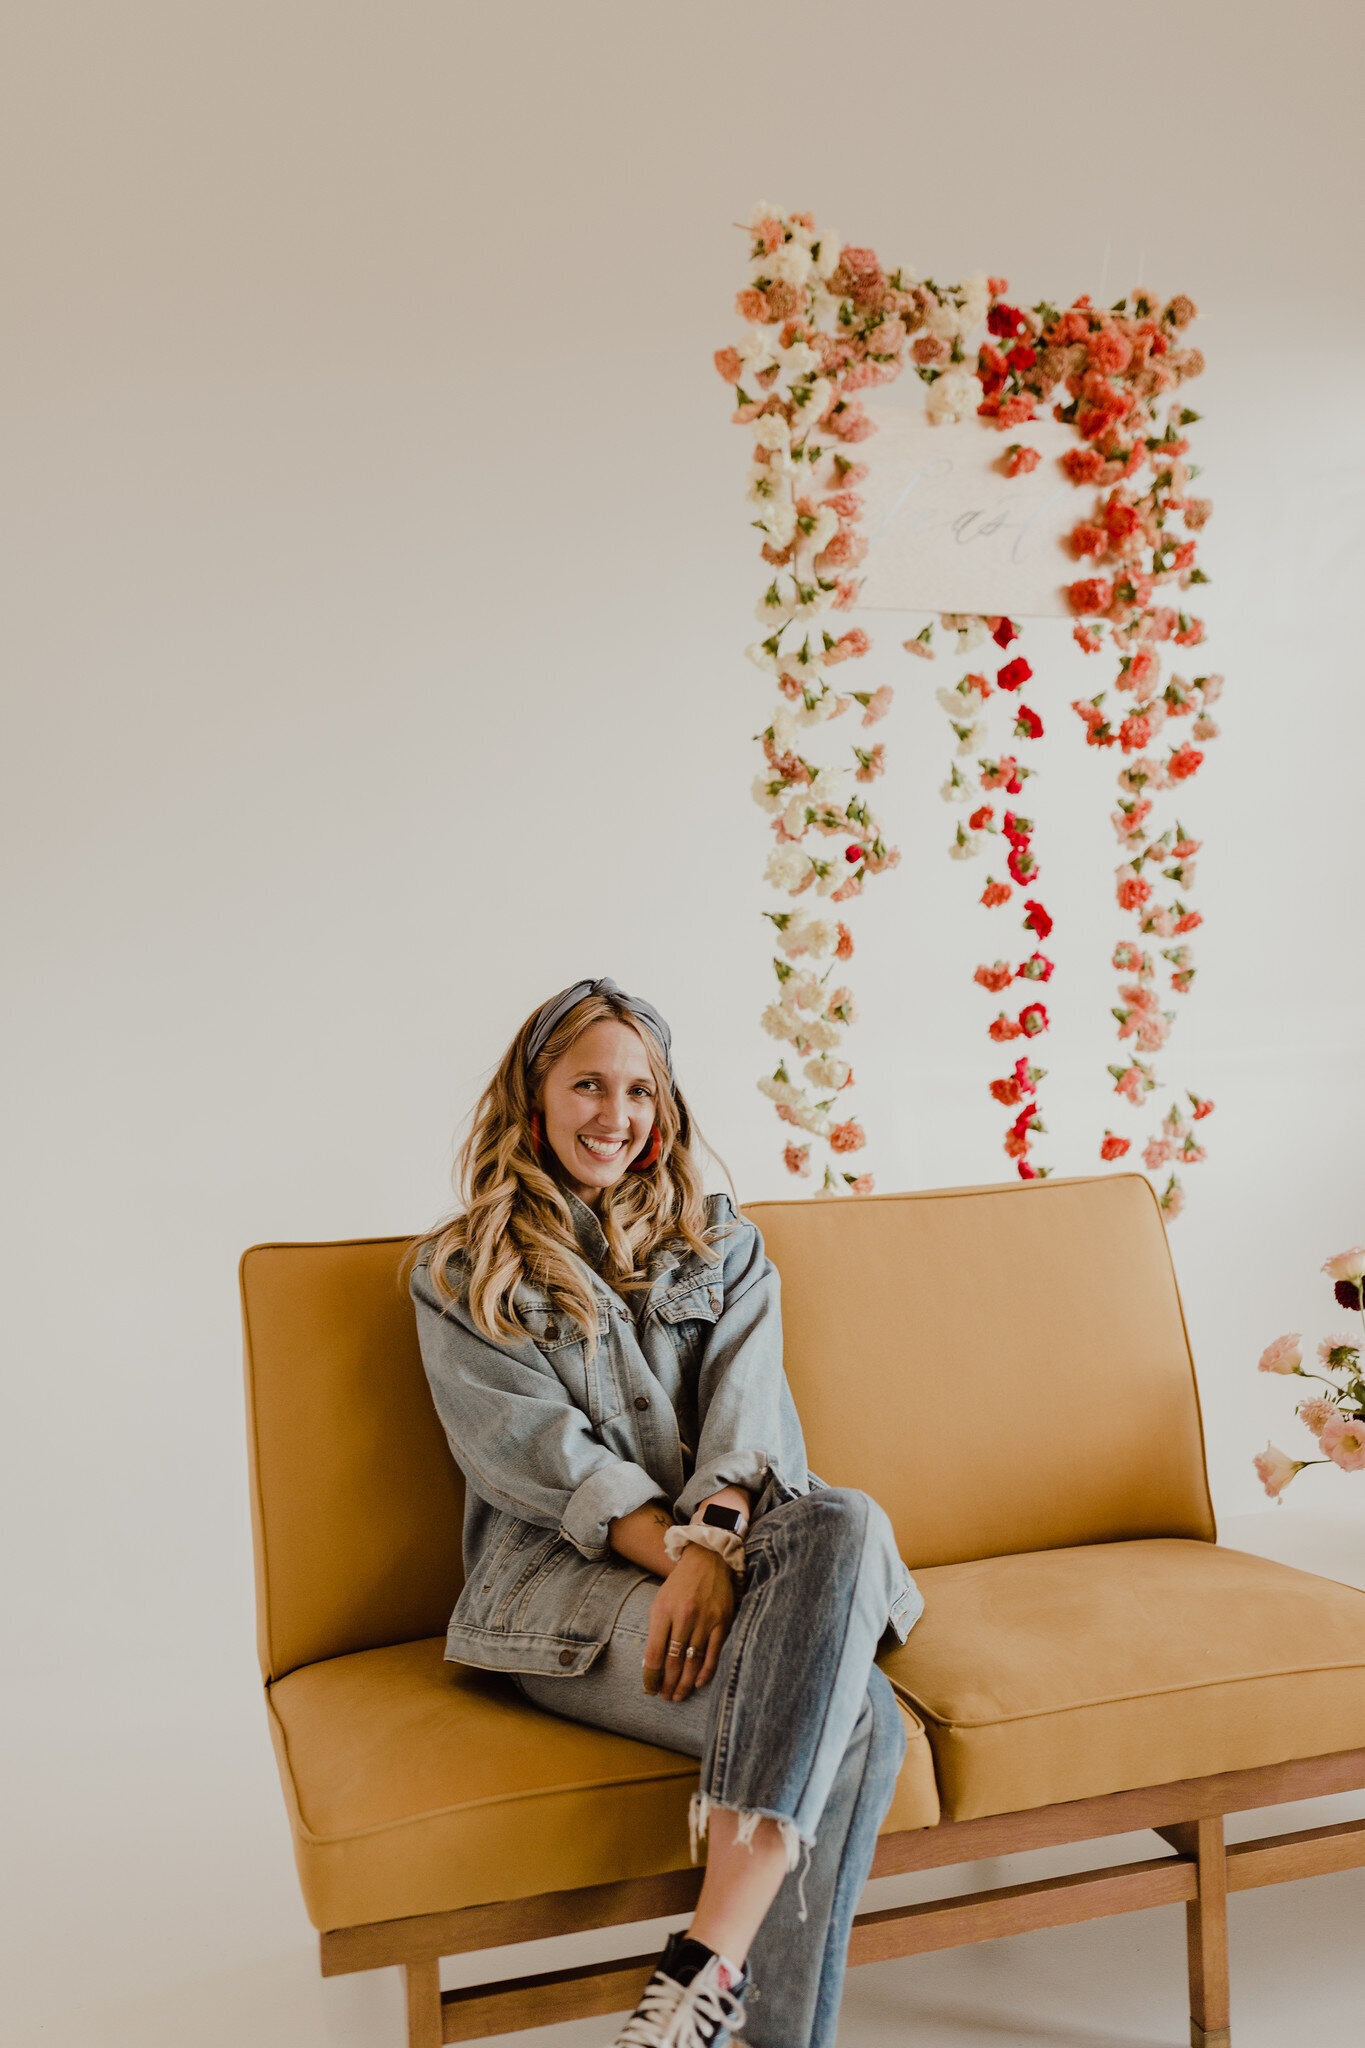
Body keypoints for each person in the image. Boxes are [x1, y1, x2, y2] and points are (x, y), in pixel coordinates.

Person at [408, 978, 922, 2048]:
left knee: (848, 1516)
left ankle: (699, 1973)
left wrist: (716, 1542)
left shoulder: (723, 1248)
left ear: (667, 1105)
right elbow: (539, 1461)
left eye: (639, 1088)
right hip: (570, 1596)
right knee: (859, 1715)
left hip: (734, 1557)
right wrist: (682, 1553)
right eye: (587, 1082)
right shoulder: (463, 1270)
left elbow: (751, 1428)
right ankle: (745, 2012)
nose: (615, 1112)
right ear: (534, 1095)